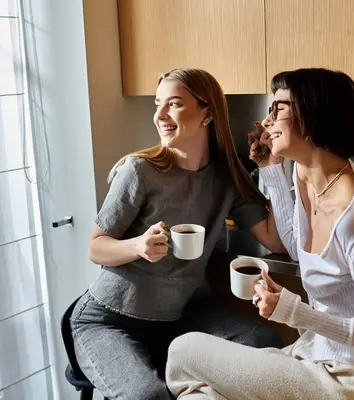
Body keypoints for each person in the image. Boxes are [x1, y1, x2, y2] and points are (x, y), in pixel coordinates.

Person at [165, 68, 354, 400]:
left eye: (278, 109)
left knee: (183, 351)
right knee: (201, 396)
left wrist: (295, 312)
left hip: (348, 378)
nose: (266, 123)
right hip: (312, 354)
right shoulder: (305, 174)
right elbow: (297, 247)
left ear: (311, 117)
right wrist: (271, 170)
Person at [70, 68, 285, 400]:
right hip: (109, 320)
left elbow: (275, 239)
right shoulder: (139, 171)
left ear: (207, 114)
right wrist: (138, 246)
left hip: (179, 316)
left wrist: (272, 167)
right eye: (158, 104)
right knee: (148, 396)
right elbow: (96, 248)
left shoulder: (227, 178)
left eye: (174, 104)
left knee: (263, 344)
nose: (160, 115)